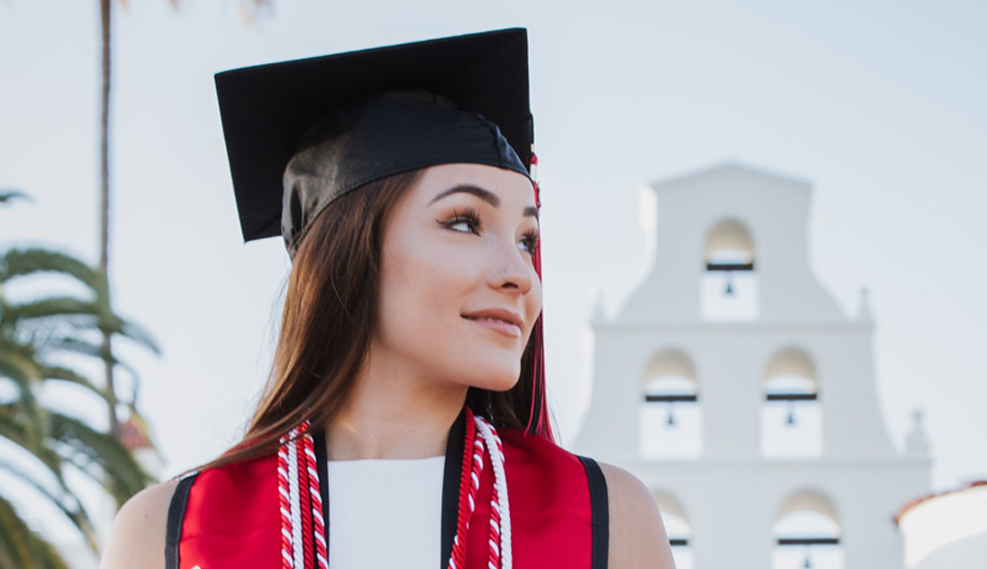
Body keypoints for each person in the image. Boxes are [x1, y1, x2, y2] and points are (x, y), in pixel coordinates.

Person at [100, 28, 675, 569]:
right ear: (350, 254)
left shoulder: (605, 518)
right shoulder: (172, 533)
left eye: (527, 239)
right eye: (464, 223)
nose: (520, 275)